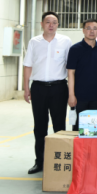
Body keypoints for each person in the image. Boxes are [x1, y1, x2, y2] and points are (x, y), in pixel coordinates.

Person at [23, 11, 72, 174]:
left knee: (59, 126)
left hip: (59, 88)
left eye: (54, 22)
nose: (51, 25)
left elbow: (71, 68)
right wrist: (26, 88)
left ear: (58, 25)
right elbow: (28, 65)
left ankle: (59, 161)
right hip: (38, 88)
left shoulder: (66, 41)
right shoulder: (34, 42)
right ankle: (40, 162)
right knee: (40, 126)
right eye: (48, 22)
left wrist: (72, 91)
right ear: (42, 24)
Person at [66, 19, 97, 131]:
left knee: (94, 128)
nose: (92, 31)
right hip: (79, 97)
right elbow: (71, 73)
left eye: (95, 28)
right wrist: (71, 95)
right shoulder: (75, 49)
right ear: (83, 30)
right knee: (78, 129)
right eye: (88, 28)